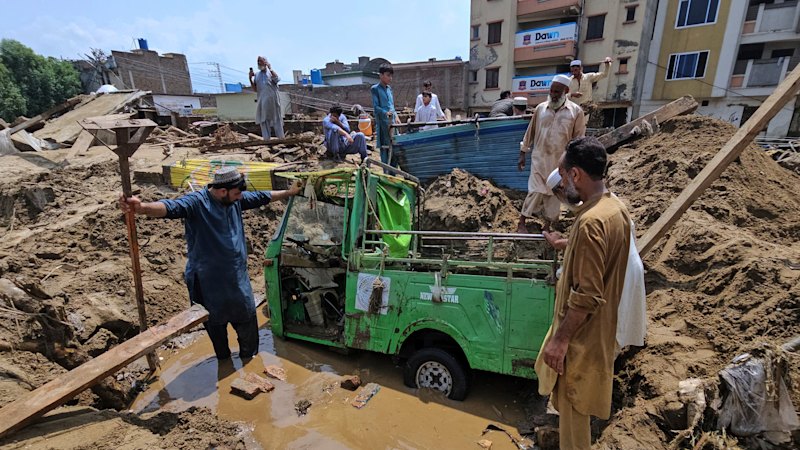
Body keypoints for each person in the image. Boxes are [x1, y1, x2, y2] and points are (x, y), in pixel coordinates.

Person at [118, 166, 302, 360]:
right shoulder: (197, 203)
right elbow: (170, 208)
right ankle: (224, 361)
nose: (241, 197)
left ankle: (249, 364)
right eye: (238, 193)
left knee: (248, 331)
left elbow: (262, 197)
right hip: (208, 283)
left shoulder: (235, 200)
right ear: (223, 191)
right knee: (217, 333)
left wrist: (289, 193)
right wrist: (142, 208)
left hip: (236, 280)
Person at [534, 137, 633, 449]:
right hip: (599, 334)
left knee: (574, 423)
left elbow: (588, 294)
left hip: (581, 342)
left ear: (575, 174)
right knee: (573, 413)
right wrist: (567, 244)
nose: (563, 183)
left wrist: (560, 341)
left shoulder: (590, 223)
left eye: (563, 176)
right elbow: (599, 257)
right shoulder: (614, 209)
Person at [517, 74, 585, 233]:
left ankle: (547, 226)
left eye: (557, 92)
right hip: (539, 159)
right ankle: (522, 222)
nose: (553, 95)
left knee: (555, 195)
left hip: (560, 163)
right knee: (534, 191)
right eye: (552, 91)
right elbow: (530, 132)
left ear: (566, 91)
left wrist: (574, 163)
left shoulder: (576, 112)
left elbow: (579, 139)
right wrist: (523, 153)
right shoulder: (541, 108)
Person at [249, 56, 284, 140]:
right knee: (264, 121)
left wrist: (270, 68)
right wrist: (250, 78)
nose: (259, 63)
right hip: (262, 102)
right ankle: (266, 140)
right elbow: (255, 89)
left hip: (273, 101)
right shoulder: (257, 75)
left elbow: (277, 79)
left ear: (265, 62)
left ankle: (281, 139)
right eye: (258, 62)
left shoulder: (270, 72)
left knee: (277, 120)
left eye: (261, 61)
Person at [371, 64, 396, 165]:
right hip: (383, 124)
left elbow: (392, 105)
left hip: (393, 123)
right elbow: (376, 107)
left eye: (391, 75)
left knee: (395, 147)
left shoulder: (389, 89)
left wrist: (396, 116)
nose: (390, 78)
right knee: (385, 148)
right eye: (388, 75)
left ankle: (393, 173)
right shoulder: (375, 89)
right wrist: (385, 112)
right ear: (381, 75)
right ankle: (386, 171)